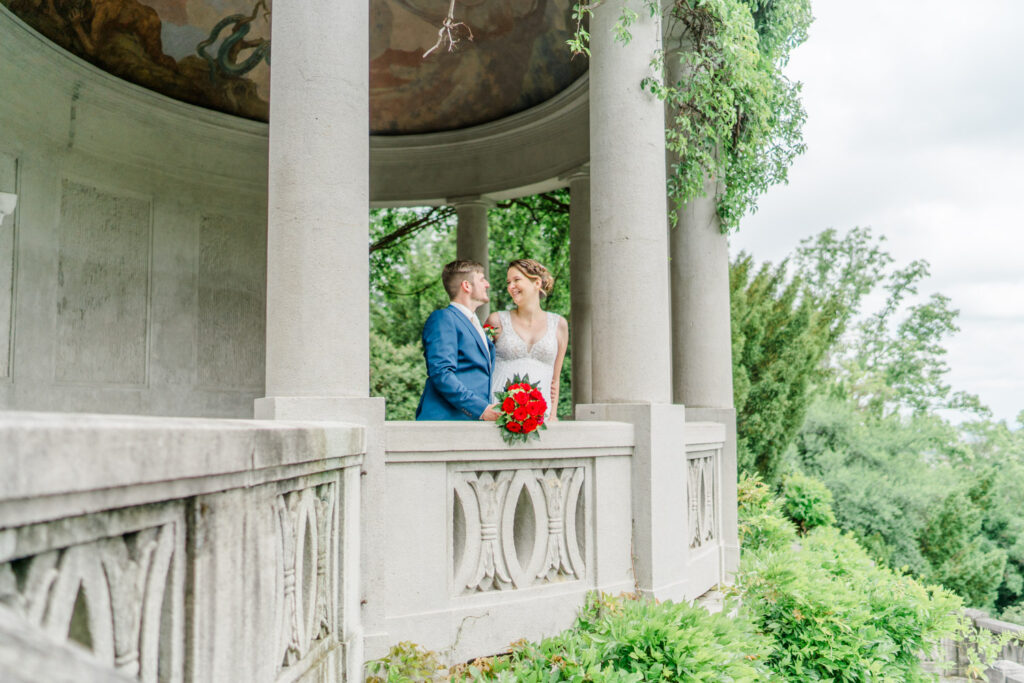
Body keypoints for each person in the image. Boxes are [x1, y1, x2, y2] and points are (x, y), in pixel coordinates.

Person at [416, 260, 501, 421]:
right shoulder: (443, 318)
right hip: (446, 421)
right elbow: (441, 373)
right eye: (482, 279)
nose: (487, 284)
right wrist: (481, 409)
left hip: (471, 424)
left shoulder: (476, 325)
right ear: (467, 286)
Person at [485, 259, 568, 422]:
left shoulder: (559, 325)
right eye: (508, 282)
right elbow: (480, 368)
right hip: (498, 415)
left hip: (539, 419)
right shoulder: (495, 321)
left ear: (536, 283)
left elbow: (555, 380)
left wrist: (552, 417)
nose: (511, 287)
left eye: (517, 280)